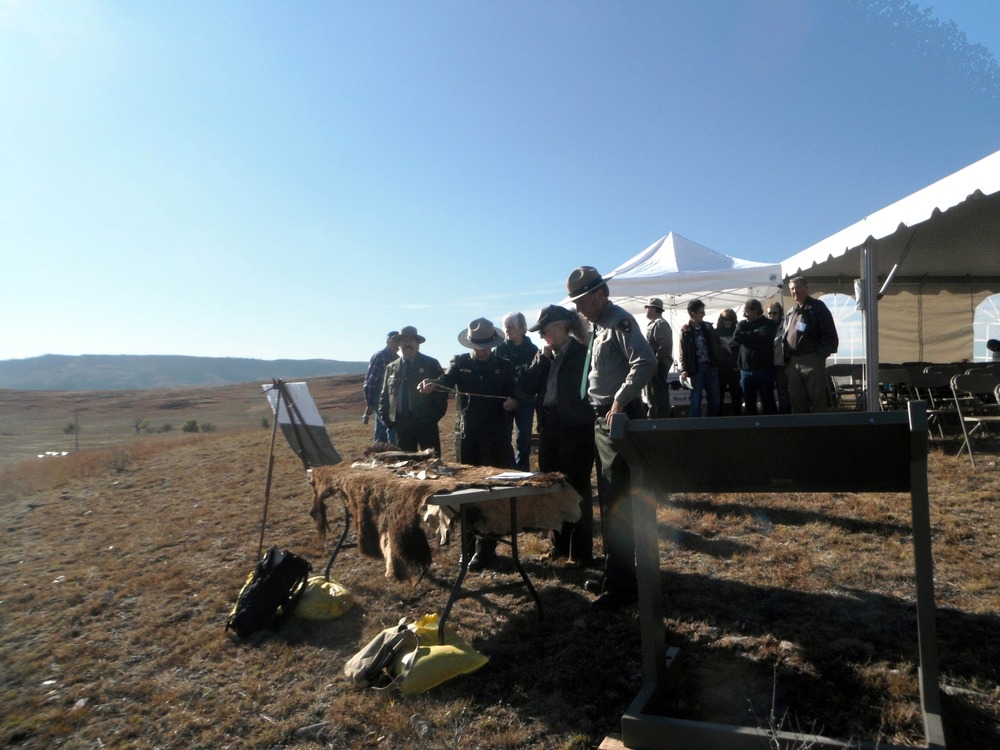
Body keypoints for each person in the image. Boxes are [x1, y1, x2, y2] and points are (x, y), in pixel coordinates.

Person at [568, 266, 655, 610]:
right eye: (576, 302)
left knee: (617, 503)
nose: (579, 308)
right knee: (608, 500)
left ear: (601, 293)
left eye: (583, 300)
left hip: (616, 419)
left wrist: (620, 400)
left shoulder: (619, 321)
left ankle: (623, 586)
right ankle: (615, 573)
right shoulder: (597, 326)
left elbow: (644, 362)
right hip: (601, 421)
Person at [419, 317, 518, 571]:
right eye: (478, 346)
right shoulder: (460, 363)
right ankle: (469, 548)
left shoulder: (504, 366)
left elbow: (515, 392)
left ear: (493, 344)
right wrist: (433, 385)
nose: (483, 351)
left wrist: (512, 401)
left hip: (496, 439)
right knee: (468, 493)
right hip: (468, 440)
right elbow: (446, 380)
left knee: (493, 493)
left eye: (487, 346)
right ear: (471, 345)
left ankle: (487, 549)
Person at [520, 305, 595, 565]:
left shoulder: (582, 353)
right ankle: (559, 547)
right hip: (550, 430)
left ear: (561, 327)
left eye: (545, 330)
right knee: (552, 488)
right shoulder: (545, 356)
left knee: (577, 491)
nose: (541, 336)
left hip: (576, 431)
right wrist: (541, 360)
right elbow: (527, 387)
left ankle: (581, 552)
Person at [377, 326, 447, 457]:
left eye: (411, 341)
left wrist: (433, 417)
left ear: (418, 344)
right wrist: (389, 420)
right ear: (399, 344)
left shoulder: (430, 364)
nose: (407, 344)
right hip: (402, 425)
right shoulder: (391, 367)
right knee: (405, 465)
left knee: (432, 463)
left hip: (426, 423)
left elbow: (442, 393)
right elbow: (384, 396)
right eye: (403, 341)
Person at [783, 277, 839, 413]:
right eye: (792, 288)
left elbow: (829, 333)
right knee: (797, 400)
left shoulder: (817, 307)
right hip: (793, 361)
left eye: (797, 287)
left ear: (806, 288)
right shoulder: (791, 311)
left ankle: (819, 431)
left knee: (817, 399)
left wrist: (819, 356)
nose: (794, 291)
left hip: (812, 359)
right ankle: (800, 431)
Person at [495, 312, 539, 471]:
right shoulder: (500, 349)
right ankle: (507, 470)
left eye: (510, 327)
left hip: (525, 402)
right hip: (505, 401)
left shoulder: (532, 350)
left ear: (521, 329)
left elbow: (536, 377)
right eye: (505, 328)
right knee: (504, 438)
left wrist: (524, 396)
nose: (507, 331)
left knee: (523, 439)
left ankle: (523, 471)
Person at [733, 299, 778, 415]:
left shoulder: (769, 324)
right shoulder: (742, 324)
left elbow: (765, 338)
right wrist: (755, 334)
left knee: (768, 402)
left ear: (755, 310)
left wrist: (746, 337)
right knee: (749, 404)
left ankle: (772, 427)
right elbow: (736, 338)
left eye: (746, 311)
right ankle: (752, 430)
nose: (743, 314)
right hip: (746, 371)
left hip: (764, 370)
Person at [679, 298, 722, 417]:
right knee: (695, 400)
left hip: (710, 366)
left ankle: (711, 425)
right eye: (701, 312)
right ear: (693, 313)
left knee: (715, 399)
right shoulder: (685, 330)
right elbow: (683, 352)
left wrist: (717, 361)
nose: (704, 314)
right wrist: (684, 369)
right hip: (696, 369)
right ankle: (695, 428)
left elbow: (717, 345)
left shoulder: (708, 327)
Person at [363, 331, 400, 445]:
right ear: (388, 341)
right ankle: (396, 452)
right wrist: (369, 404)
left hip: (392, 398)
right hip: (379, 397)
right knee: (392, 425)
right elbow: (370, 381)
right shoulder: (379, 356)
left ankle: (379, 454)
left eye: (398, 340)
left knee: (381, 430)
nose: (397, 343)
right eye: (394, 340)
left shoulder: (398, 359)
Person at [643, 297, 674, 418]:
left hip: (658, 366)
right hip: (656, 365)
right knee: (652, 396)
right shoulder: (656, 323)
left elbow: (665, 346)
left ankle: (659, 423)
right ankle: (656, 421)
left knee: (657, 396)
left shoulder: (660, 324)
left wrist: (654, 361)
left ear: (654, 309)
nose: (645, 309)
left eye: (647, 307)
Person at [715, 309, 742, 416]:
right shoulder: (716, 332)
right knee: (718, 396)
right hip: (720, 368)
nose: (727, 322)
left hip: (734, 368)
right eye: (725, 319)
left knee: (736, 396)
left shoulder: (737, 331)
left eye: (730, 320)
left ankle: (738, 418)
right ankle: (719, 420)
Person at [767, 302, 792, 414]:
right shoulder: (766, 326)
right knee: (767, 391)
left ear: (780, 313)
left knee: (783, 391)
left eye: (774, 313)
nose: (771, 315)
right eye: (769, 313)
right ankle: (771, 414)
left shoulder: (786, 325)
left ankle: (784, 414)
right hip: (767, 364)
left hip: (781, 363)